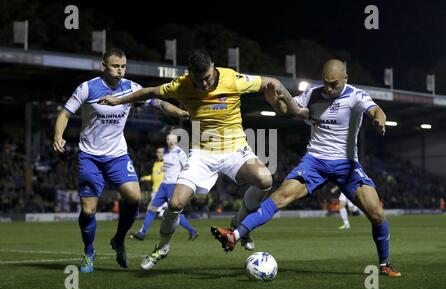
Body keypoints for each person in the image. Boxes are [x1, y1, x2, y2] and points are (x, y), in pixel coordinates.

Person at [99, 49, 306, 270]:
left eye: (208, 77)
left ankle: (238, 224)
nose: (205, 84)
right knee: (175, 203)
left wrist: (298, 110)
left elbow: (272, 82)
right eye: (199, 80)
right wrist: (117, 100)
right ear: (190, 75)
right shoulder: (182, 84)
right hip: (202, 153)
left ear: (214, 67)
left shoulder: (232, 79)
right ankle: (162, 247)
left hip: (235, 148)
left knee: (265, 180)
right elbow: (149, 92)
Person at [211, 59, 401, 277]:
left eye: (334, 84)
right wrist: (274, 102)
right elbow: (287, 110)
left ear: (346, 79)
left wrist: (379, 120)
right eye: (326, 83)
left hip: (346, 164)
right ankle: (234, 235)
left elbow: (377, 111)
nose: (329, 89)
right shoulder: (312, 94)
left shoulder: (356, 96)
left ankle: (384, 264)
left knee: (376, 213)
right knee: (279, 197)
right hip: (315, 161)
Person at [53, 48, 189, 273]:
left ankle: (118, 239)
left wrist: (180, 112)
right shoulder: (87, 88)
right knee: (88, 211)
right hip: (90, 156)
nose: (120, 70)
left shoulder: (131, 88)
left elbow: (159, 103)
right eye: (115, 66)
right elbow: (64, 114)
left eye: (123, 66)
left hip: (117, 155)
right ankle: (89, 252)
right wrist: (58, 135)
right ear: (103, 66)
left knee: (134, 198)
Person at [130, 134, 198, 241]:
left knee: (174, 213)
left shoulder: (180, 153)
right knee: (152, 209)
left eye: (173, 140)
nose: (171, 141)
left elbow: (186, 168)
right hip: (163, 186)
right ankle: (142, 233)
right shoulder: (165, 152)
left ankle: (192, 231)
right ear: (166, 141)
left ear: (176, 141)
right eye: (169, 139)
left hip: (172, 186)